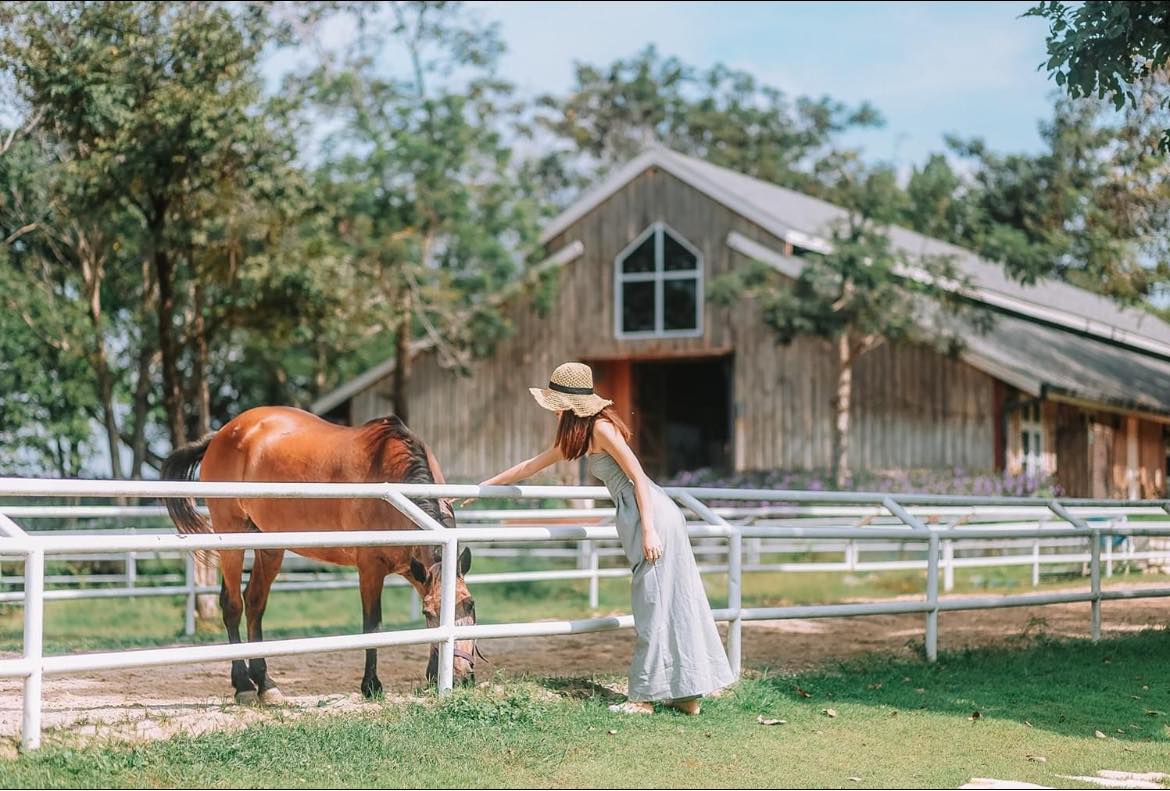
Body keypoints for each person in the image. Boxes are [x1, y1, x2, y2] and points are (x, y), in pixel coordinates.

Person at [476, 362, 736, 714]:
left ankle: (643, 699)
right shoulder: (581, 435)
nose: (553, 412)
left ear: (569, 406)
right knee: (670, 600)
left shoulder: (600, 429)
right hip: (641, 513)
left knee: (652, 604)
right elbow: (530, 466)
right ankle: (688, 696)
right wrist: (483, 489)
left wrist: (648, 530)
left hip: (651, 515)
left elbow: (639, 478)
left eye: (556, 405)